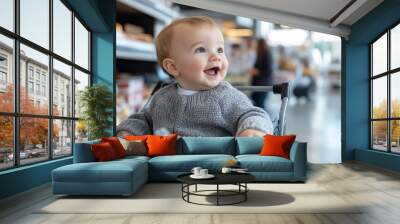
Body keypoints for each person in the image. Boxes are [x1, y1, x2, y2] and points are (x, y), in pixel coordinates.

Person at [116, 16, 273, 137]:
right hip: (164, 168)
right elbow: (144, 120)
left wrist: (252, 128)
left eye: (219, 50)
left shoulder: (226, 96)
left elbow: (253, 113)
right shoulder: (161, 98)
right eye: (200, 50)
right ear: (173, 67)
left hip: (215, 167)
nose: (216, 57)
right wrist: (129, 132)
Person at [248, 38, 273, 110]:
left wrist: (256, 71)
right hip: (258, 84)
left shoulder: (266, 54)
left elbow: (268, 71)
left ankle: (263, 120)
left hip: (263, 84)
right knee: (257, 103)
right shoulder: (259, 54)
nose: (253, 45)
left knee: (260, 104)